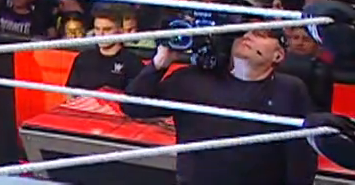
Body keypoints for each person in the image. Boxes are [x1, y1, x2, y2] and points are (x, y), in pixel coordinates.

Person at [123, 29, 317, 184]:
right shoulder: (192, 79)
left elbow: (301, 155)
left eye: (260, 34)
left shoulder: (289, 89)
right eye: (244, 31)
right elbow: (134, 108)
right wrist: (159, 64)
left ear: (278, 55)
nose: (248, 35)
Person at [66, 5, 145, 92]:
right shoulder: (83, 58)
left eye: (107, 29)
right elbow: (70, 93)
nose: (101, 34)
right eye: (97, 29)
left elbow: (136, 96)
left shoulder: (132, 63)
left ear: (120, 31)